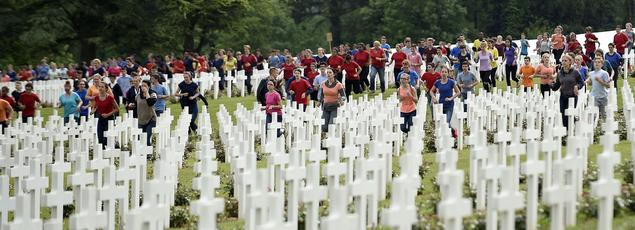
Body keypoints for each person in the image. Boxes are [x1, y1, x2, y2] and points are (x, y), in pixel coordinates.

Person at [551, 54, 584, 129]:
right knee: (563, 115)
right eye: (562, 61)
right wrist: (550, 84)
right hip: (563, 97)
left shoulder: (575, 72)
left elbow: (581, 83)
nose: (563, 62)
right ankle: (567, 131)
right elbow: (556, 86)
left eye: (565, 61)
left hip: (572, 96)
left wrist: (577, 86)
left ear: (570, 62)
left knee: (570, 115)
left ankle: (573, 129)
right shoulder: (559, 73)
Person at [430, 66, 460, 137]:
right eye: (442, 72)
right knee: (442, 122)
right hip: (440, 105)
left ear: (448, 73)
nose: (444, 73)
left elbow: (458, 92)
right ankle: (445, 136)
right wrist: (433, 97)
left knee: (447, 122)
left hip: (449, 105)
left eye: (445, 72)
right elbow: (431, 91)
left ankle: (453, 132)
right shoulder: (437, 82)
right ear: (440, 73)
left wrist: (451, 98)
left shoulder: (451, 82)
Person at [318, 68, 346, 133]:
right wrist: (319, 101)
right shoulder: (323, 84)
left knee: (331, 125)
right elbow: (322, 94)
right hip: (326, 107)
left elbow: (343, 95)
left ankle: (332, 138)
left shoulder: (338, 84)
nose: (328, 74)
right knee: (324, 127)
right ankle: (325, 139)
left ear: (334, 74)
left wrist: (342, 100)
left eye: (330, 72)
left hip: (335, 107)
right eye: (327, 72)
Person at [92, 81, 118, 146]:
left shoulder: (110, 98)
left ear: (106, 89)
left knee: (106, 138)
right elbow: (95, 106)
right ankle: (101, 153)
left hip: (109, 119)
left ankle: (113, 146)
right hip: (101, 119)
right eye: (99, 86)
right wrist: (93, 110)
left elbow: (117, 109)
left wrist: (108, 114)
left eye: (102, 87)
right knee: (100, 138)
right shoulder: (97, 98)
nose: (100, 88)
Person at [137, 80, 158, 146]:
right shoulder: (138, 95)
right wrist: (132, 105)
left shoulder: (153, 94)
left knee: (147, 138)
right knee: (140, 138)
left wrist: (146, 93)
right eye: (142, 85)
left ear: (149, 86)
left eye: (145, 86)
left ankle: (148, 155)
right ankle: (142, 154)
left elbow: (150, 103)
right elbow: (137, 104)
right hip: (141, 119)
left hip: (151, 119)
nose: (143, 87)